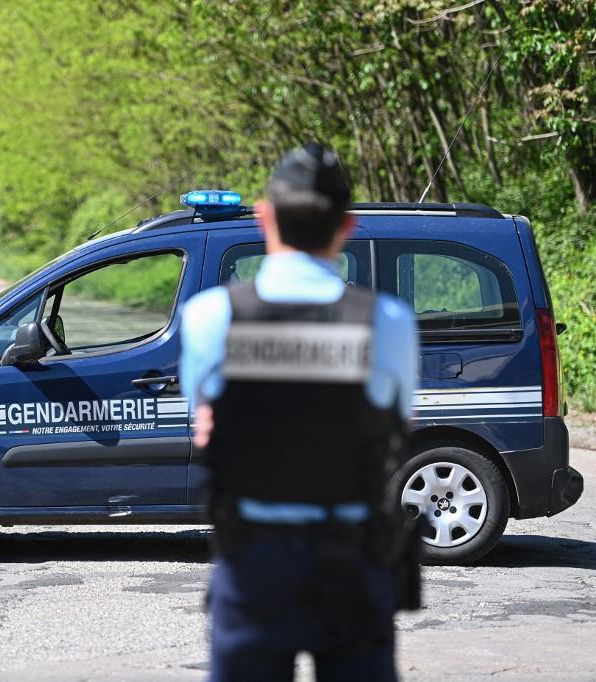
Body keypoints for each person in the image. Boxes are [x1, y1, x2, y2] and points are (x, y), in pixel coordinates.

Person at [180, 143, 420, 681]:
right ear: (348, 226)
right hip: (353, 562)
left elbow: (204, 424)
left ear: (265, 216)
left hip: (253, 566)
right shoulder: (388, 320)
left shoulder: (210, 317)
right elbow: (397, 426)